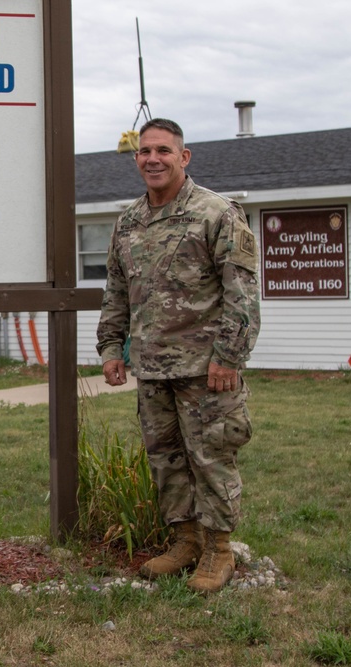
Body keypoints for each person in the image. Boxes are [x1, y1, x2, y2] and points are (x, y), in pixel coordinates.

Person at [96, 118, 260, 593]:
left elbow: (243, 294)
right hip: (152, 369)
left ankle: (219, 550)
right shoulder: (128, 222)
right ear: (136, 159)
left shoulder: (216, 213)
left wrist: (228, 357)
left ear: (183, 157)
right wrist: (111, 347)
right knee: (166, 460)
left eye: (164, 151)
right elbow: (117, 292)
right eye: (145, 151)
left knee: (211, 458)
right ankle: (185, 542)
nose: (153, 159)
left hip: (206, 369)